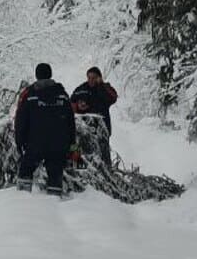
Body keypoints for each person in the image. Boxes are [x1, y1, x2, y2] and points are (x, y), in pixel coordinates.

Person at [14, 63, 75, 197]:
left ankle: (21, 203)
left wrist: (19, 141)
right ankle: (53, 205)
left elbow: (20, 119)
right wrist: (71, 144)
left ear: (36, 75)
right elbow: (71, 121)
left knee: (25, 171)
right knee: (55, 175)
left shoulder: (29, 94)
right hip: (58, 144)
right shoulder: (62, 95)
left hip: (34, 143)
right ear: (50, 74)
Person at [71, 67, 119, 133]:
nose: (91, 80)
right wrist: (78, 106)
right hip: (83, 128)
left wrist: (101, 85)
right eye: (89, 77)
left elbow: (113, 97)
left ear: (99, 78)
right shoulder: (81, 89)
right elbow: (71, 103)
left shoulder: (105, 88)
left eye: (93, 78)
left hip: (101, 129)